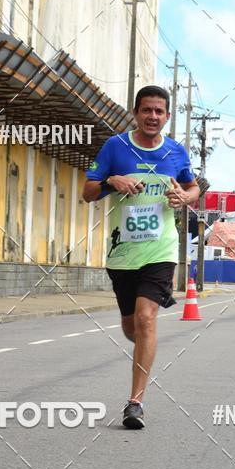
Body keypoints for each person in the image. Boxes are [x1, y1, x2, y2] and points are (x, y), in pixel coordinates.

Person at [82, 85, 199, 429]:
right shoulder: (115, 147)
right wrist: (112, 181)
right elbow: (87, 192)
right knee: (132, 326)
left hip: (161, 249)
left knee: (147, 319)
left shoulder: (176, 152)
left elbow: (193, 187)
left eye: (159, 111)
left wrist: (185, 197)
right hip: (122, 253)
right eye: (146, 110)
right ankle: (144, 346)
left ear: (167, 116)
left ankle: (135, 403)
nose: (152, 117)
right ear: (135, 113)